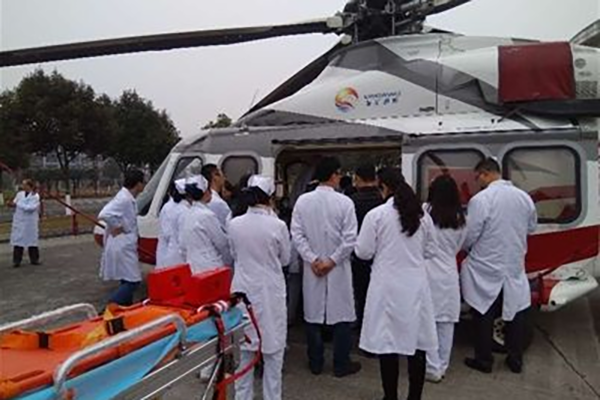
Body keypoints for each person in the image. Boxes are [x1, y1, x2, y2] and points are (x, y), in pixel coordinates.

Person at [355, 168, 437, 400]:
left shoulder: (376, 215)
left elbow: (363, 252)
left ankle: (390, 396)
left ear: (383, 187)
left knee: (387, 345)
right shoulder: (422, 216)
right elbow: (431, 250)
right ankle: (414, 397)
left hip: (387, 286)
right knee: (417, 345)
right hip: (415, 286)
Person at [462, 157, 537, 374]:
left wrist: (467, 249)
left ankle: (484, 360)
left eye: (478, 177)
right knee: (515, 311)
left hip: (485, 266)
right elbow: (531, 227)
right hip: (513, 264)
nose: (477, 182)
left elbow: (471, 234)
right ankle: (515, 359)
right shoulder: (524, 197)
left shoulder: (481, 200)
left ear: (485, 173)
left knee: (483, 312)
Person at [291, 156, 361, 378]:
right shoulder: (345, 203)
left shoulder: (302, 202)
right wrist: (332, 260)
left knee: (313, 317)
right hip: (337, 267)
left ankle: (316, 362)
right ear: (333, 175)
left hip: (313, 268)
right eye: (339, 174)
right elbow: (350, 239)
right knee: (342, 317)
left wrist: (312, 259)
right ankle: (341, 363)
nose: (340, 178)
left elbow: (297, 235)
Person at [228, 175, 291, 400]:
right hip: (269, 291)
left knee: (243, 353)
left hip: (242, 290)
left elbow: (234, 254)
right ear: (270, 197)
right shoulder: (278, 225)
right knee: (273, 354)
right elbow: (285, 259)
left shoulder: (234, 224)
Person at [423, 175, 467, 383]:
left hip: (427, 271)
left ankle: (431, 367)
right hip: (449, 273)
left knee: (428, 322)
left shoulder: (425, 211)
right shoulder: (461, 218)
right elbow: (459, 247)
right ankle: (442, 365)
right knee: (446, 323)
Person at [98, 170, 145, 306]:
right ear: (138, 184)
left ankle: (124, 308)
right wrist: (118, 226)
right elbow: (104, 214)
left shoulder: (128, 197)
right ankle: (111, 306)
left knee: (126, 279)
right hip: (122, 244)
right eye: (143, 182)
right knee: (133, 282)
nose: (144, 185)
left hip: (125, 244)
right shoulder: (124, 199)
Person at [349, 164, 383, 328]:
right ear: (375, 179)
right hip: (381, 254)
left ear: (357, 179)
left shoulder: (352, 201)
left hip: (359, 254)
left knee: (361, 292)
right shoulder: (382, 200)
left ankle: (362, 323)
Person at [178, 175, 232, 274]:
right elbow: (221, 243)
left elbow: (182, 246)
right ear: (206, 192)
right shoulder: (207, 215)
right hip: (210, 267)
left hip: (191, 267)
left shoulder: (187, 214)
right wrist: (229, 263)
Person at [10, 179, 41, 268]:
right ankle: (16, 261)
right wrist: (11, 204)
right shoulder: (19, 194)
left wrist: (18, 204)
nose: (23, 186)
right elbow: (15, 202)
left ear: (29, 186)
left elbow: (30, 208)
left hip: (30, 223)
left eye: (25, 185)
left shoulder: (35, 196)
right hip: (19, 221)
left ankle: (34, 259)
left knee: (32, 241)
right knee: (18, 242)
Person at [155, 179, 187, 268]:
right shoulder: (184, 210)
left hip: (165, 252)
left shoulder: (166, 207)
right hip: (176, 256)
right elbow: (183, 240)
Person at [201, 164, 232, 228]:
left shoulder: (202, 199)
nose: (224, 179)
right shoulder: (219, 203)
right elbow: (228, 225)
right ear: (215, 177)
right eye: (222, 176)